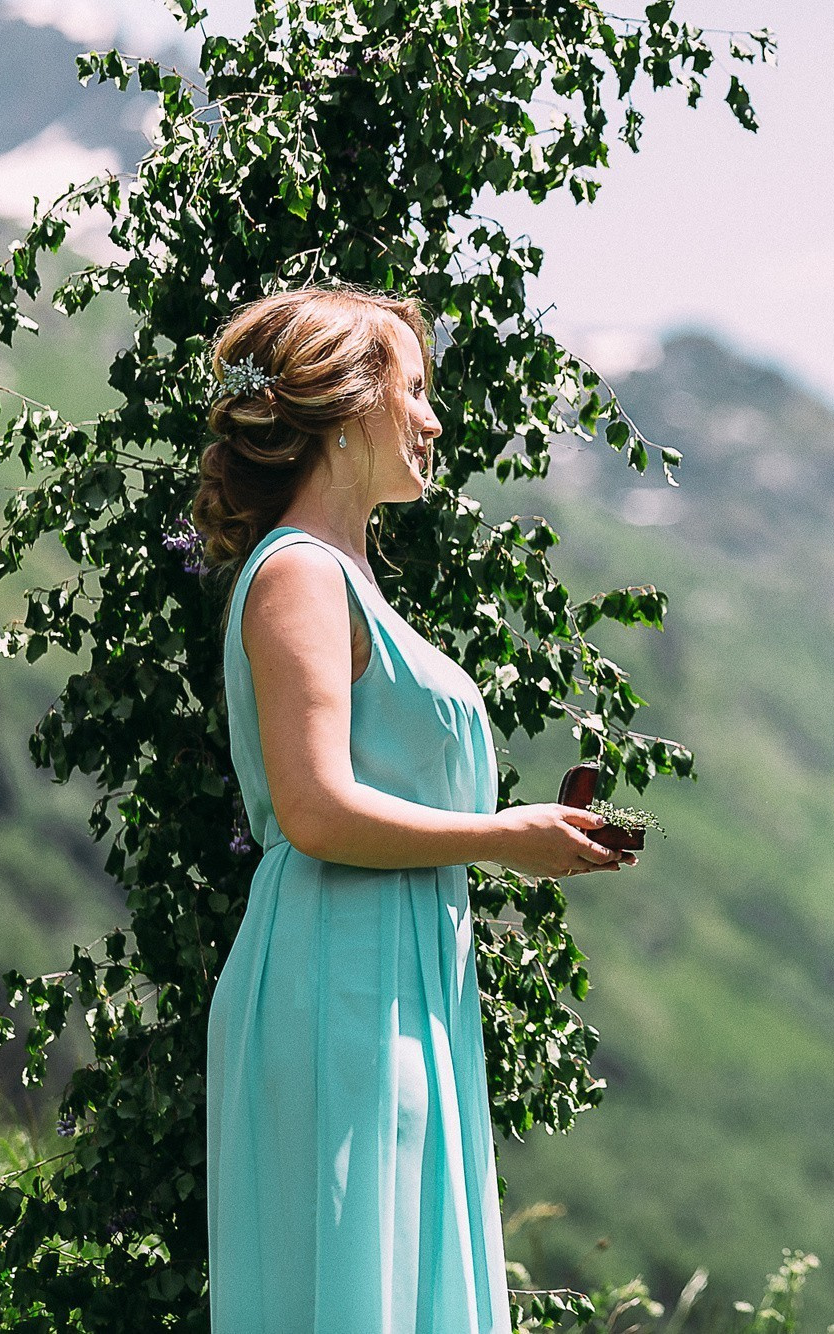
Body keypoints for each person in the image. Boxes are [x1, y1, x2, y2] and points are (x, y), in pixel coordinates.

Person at [197, 285, 632, 1333]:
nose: (433, 420)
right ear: (349, 404)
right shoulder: (300, 574)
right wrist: (505, 837)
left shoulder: (346, 575)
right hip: (338, 975)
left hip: (394, 974)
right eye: (416, 390)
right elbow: (313, 808)